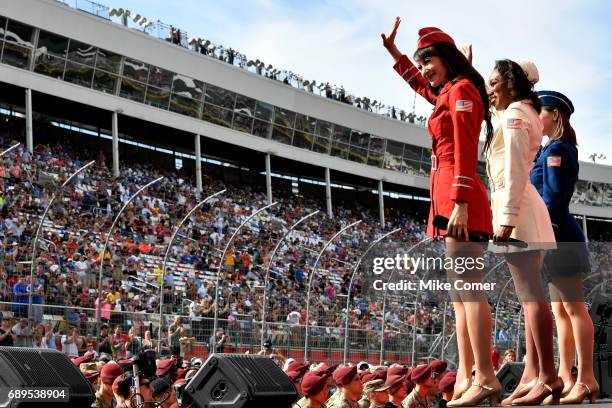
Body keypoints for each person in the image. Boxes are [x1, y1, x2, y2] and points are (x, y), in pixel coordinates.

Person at [382, 19, 498, 406]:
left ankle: (485, 375)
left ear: (447, 58)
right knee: (461, 297)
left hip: (458, 199)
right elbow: (421, 86)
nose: (426, 67)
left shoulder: (462, 89)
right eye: (422, 60)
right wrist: (398, 58)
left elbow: (466, 147)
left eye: (429, 59)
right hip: (447, 199)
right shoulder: (448, 91)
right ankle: (468, 373)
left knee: (470, 294)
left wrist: (462, 202)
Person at [485, 59, 559, 406]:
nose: (490, 88)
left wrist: (507, 218)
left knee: (531, 298)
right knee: (530, 299)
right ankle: (539, 375)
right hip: (526, 209)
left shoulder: (515, 115)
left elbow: (513, 170)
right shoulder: (521, 111)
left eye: (494, 81)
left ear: (511, 83)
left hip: (518, 212)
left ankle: (547, 376)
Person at [530, 90, 599, 404]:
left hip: (559, 234)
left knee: (573, 308)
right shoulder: (549, 148)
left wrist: (546, 234)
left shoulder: (559, 148)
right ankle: (567, 376)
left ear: (555, 114)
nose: (537, 118)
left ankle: (586, 378)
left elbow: (555, 198)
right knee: (560, 312)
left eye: (540, 111)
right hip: (552, 234)